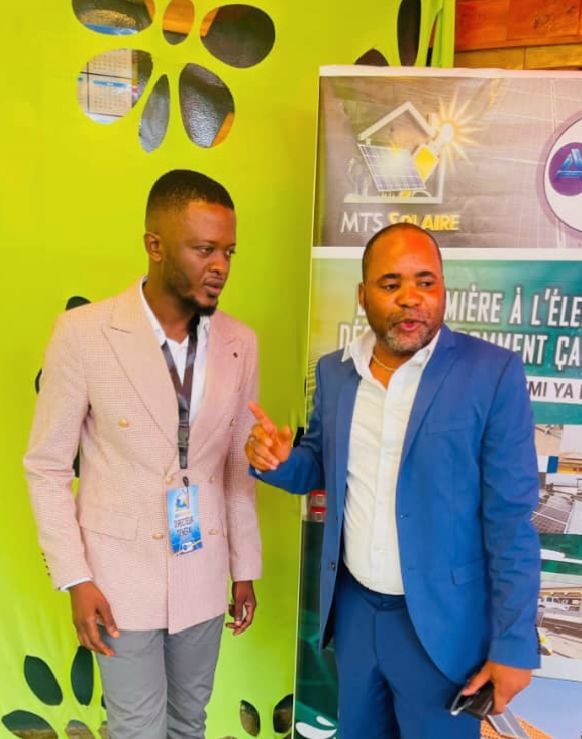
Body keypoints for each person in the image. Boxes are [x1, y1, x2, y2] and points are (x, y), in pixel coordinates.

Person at [245, 223, 540, 739]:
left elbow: (510, 521)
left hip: (443, 628)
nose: (411, 298)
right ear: (362, 296)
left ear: (443, 288)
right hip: (356, 613)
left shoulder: (491, 374)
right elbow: (320, 465)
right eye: (391, 284)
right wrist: (280, 462)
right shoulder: (335, 372)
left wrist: (514, 644)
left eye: (426, 282)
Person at [24, 169, 262, 739]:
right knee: (135, 727)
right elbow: (47, 467)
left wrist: (245, 570)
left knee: (189, 722)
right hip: (116, 576)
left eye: (228, 251)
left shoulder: (240, 342)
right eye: (204, 249)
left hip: (203, 566)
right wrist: (75, 577)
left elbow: (236, 467)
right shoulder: (83, 334)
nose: (221, 266)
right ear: (155, 245)